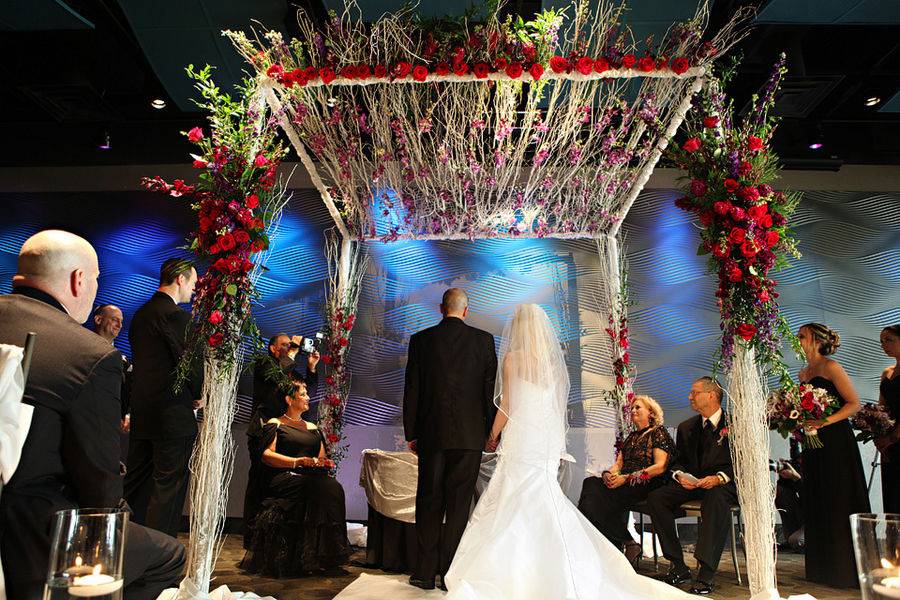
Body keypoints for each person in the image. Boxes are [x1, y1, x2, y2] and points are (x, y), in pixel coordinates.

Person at [444, 304, 692, 600]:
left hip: (523, 438)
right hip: (543, 442)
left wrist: (493, 435)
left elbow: (508, 405)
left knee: (513, 496)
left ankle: (516, 570)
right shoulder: (550, 364)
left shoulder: (513, 359)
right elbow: (554, 407)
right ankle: (558, 565)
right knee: (541, 497)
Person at [0, 230, 184, 600]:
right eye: (97, 279)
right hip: (32, 536)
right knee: (169, 554)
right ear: (78, 279)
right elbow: (99, 487)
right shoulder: (87, 354)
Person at [403, 288, 497, 591]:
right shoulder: (483, 341)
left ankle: (424, 572)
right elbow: (488, 392)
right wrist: (490, 433)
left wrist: (411, 432)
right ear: (466, 310)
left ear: (441, 308)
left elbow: (413, 389)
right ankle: (450, 572)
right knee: (459, 505)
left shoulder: (421, 341)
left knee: (429, 501)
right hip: (470, 436)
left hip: (432, 433)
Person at [124, 258, 204, 537]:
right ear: (180, 279)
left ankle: (127, 548)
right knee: (167, 490)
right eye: (193, 282)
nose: (194, 289)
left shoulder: (141, 315)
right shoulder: (176, 316)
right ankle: (159, 560)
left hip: (144, 414)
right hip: (172, 416)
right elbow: (187, 362)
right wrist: (198, 394)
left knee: (136, 486)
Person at [240, 374, 349, 576]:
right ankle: (305, 555)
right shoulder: (277, 424)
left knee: (333, 487)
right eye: (303, 394)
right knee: (315, 487)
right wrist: (297, 461)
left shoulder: (313, 428)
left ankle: (327, 552)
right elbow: (266, 455)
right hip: (285, 475)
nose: (308, 398)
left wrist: (323, 462)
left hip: (311, 475)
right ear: (290, 400)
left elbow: (321, 457)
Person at [645, 376, 737, 595]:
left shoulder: (735, 425)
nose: (690, 397)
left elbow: (745, 463)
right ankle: (678, 565)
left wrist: (719, 478)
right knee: (657, 498)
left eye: (694, 392)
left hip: (724, 484)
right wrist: (679, 475)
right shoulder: (687, 427)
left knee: (715, 498)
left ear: (712, 395)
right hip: (694, 483)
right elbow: (678, 462)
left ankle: (706, 572)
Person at [796, 323, 869, 588]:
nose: (798, 340)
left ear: (815, 339)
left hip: (836, 440)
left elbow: (854, 403)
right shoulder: (804, 372)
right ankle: (822, 567)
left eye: (802, 336)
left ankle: (845, 570)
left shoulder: (831, 367)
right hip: (813, 443)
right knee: (819, 495)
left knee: (838, 496)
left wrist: (824, 422)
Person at [578, 395, 675, 568]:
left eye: (638, 407)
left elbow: (660, 467)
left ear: (651, 413)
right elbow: (619, 464)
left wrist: (627, 478)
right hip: (625, 481)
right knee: (591, 484)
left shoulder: (658, 432)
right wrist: (609, 474)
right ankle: (626, 542)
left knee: (598, 501)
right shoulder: (630, 437)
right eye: (632, 408)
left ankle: (619, 546)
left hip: (647, 482)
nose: (633, 411)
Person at [244, 332, 320, 544]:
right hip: (263, 429)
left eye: (291, 345)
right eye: (285, 345)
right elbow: (275, 380)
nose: (290, 348)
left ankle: (278, 536)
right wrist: (293, 354)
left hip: (284, 432)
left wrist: (311, 368)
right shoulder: (264, 364)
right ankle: (252, 535)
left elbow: (305, 394)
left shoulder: (289, 369)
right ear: (273, 349)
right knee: (260, 478)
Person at [92, 303, 132, 433]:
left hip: (111, 429)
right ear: (98, 320)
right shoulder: (79, 350)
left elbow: (128, 390)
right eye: (115, 320)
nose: (119, 326)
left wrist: (127, 414)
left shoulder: (123, 362)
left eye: (121, 321)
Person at [875, 325, 900, 513]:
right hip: (889, 443)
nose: (884, 345)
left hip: (896, 438)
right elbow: (880, 409)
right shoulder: (887, 372)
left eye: (889, 340)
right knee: (892, 495)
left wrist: (893, 437)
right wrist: (877, 434)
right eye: (882, 342)